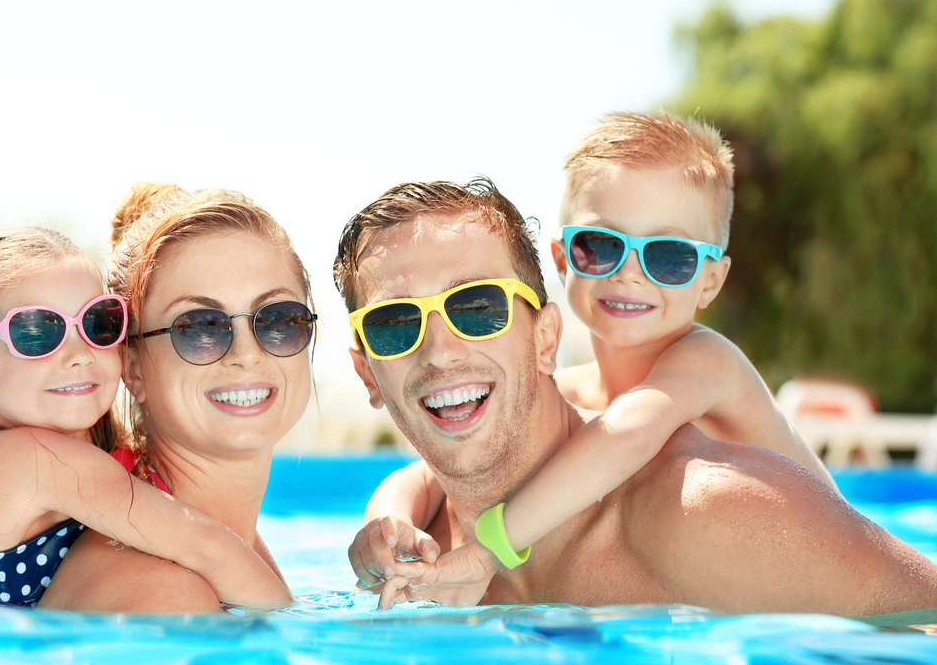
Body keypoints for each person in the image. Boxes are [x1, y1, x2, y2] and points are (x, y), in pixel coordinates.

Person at [334, 177, 937, 615]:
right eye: (395, 325)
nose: (441, 352)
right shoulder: (411, 559)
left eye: (478, 308)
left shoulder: (708, 516)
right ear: (368, 376)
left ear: (545, 339)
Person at [352, 111, 840, 596]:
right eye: (600, 246)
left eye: (668, 255)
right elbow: (424, 476)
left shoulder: (709, 363)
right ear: (563, 259)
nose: (629, 273)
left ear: (711, 281)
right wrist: (388, 526)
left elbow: (628, 435)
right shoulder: (570, 391)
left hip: (824, 560)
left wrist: (488, 551)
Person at [0, 226, 292, 608]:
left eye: (99, 323)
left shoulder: (62, 454)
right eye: (38, 332)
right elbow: (205, 543)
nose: (80, 355)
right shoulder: (30, 459)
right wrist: (294, 627)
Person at [39, 184, 316, 613]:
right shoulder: (165, 594)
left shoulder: (231, 544)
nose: (246, 354)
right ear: (131, 368)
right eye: (199, 327)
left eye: (279, 319)